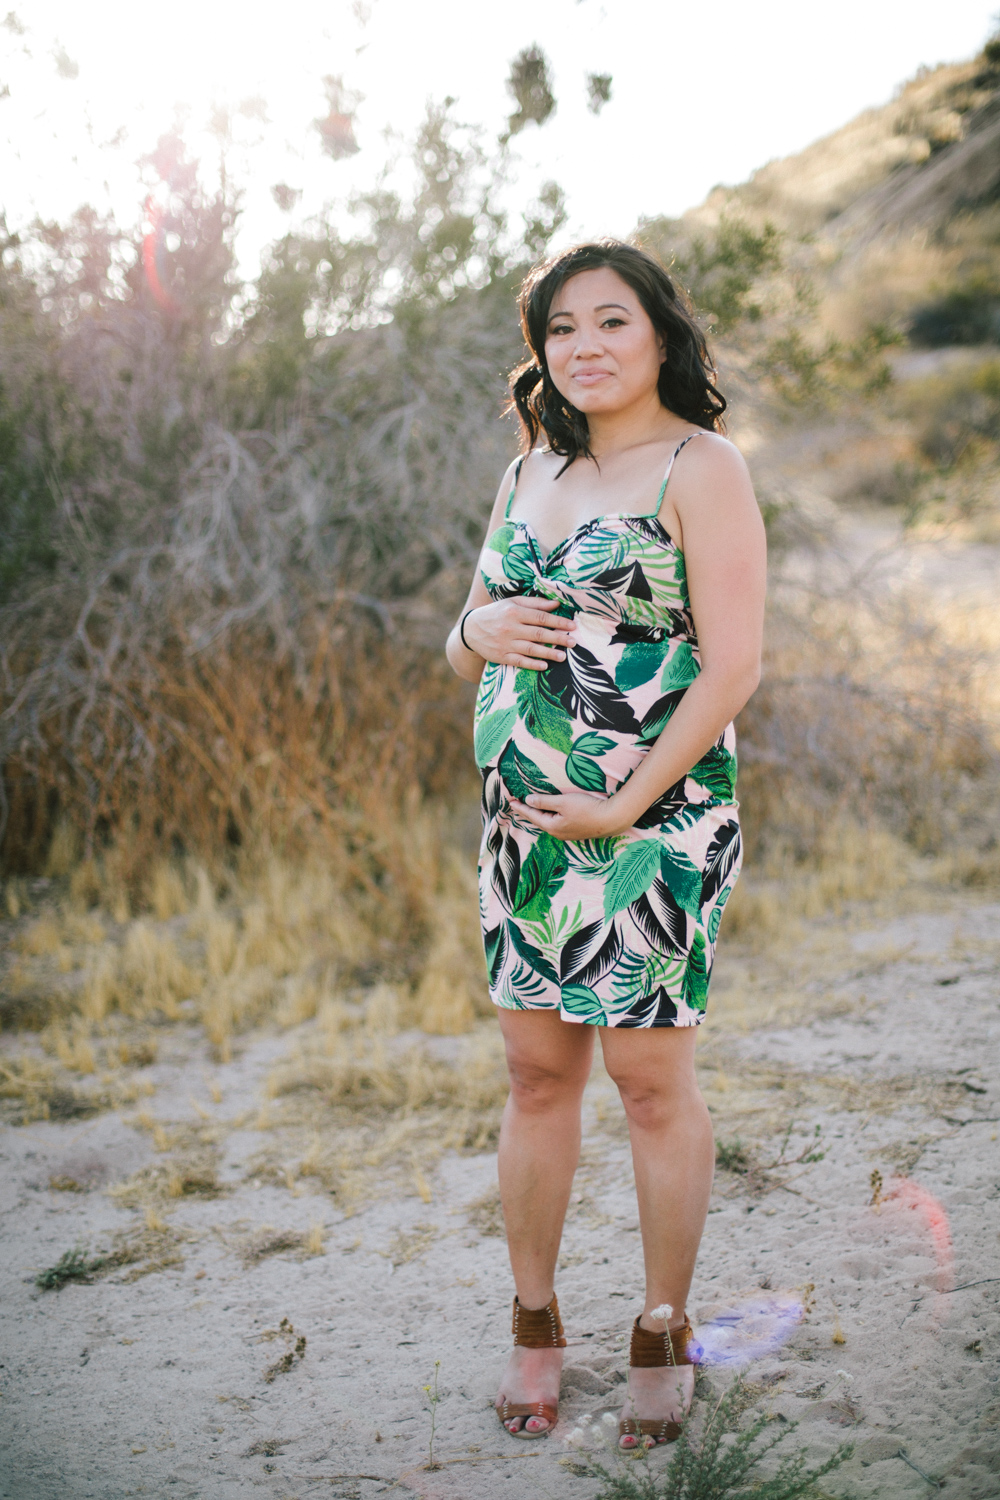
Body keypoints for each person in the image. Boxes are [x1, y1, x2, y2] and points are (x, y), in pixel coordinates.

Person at [445, 240, 766, 1448]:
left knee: (645, 1084)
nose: (583, 346)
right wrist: (476, 624)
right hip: (526, 825)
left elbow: (732, 664)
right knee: (535, 1076)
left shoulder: (702, 464)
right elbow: (459, 646)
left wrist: (627, 801)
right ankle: (535, 1324)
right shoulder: (530, 467)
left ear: (659, 335)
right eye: (560, 328)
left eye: (609, 322)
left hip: (657, 818)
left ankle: (661, 1327)